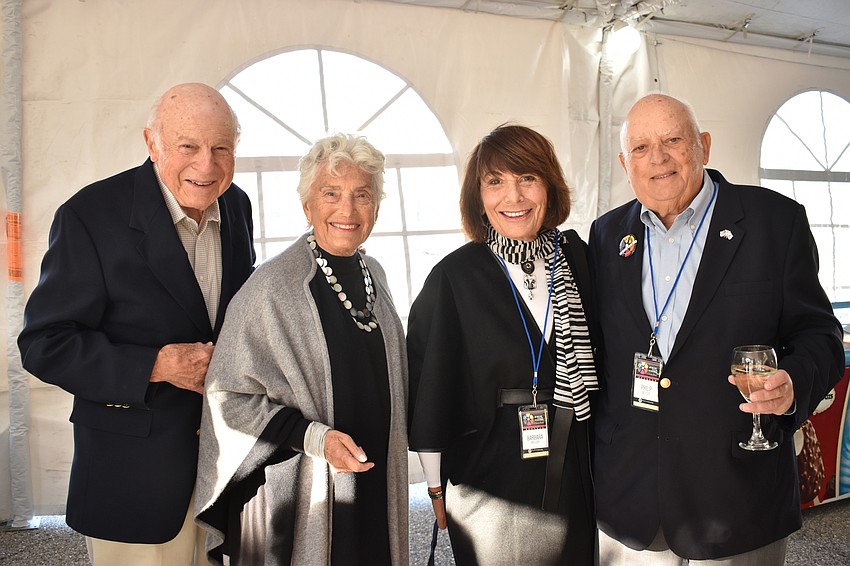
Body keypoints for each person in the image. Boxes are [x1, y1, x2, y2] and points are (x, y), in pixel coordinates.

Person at [589, 93, 845, 564]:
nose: (658, 158)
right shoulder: (606, 236)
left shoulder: (775, 222)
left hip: (739, 494)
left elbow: (820, 336)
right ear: (625, 163)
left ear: (704, 145)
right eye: (641, 148)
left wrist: (792, 383)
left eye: (672, 140)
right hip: (631, 494)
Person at [17, 83, 256, 565]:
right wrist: (155, 365)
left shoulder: (237, 206)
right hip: (133, 473)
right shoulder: (90, 215)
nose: (206, 165)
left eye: (221, 148)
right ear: (153, 142)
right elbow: (45, 343)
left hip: (225, 466)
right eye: (188, 146)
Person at [193, 133, 408, 566]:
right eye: (331, 193)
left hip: (373, 480)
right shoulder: (271, 288)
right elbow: (227, 397)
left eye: (361, 195)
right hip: (293, 495)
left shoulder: (376, 275)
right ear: (307, 206)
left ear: (377, 207)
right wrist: (314, 438)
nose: (347, 210)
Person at [407, 124, 599, 565]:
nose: (513, 198)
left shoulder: (578, 260)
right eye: (495, 182)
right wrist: (435, 487)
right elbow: (430, 390)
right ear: (478, 197)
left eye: (527, 178)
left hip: (578, 475)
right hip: (490, 491)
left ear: (549, 187)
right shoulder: (452, 278)